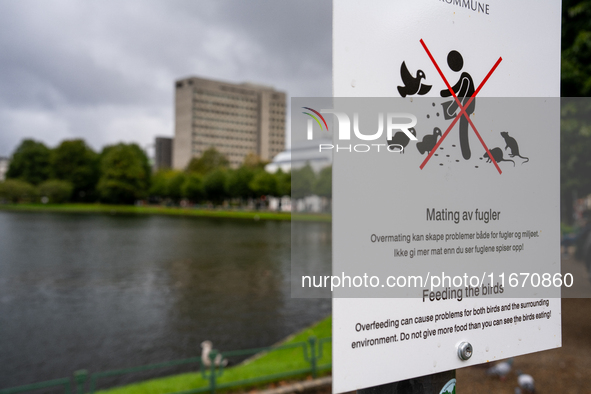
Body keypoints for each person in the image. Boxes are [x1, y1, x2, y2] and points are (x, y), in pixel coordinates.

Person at [440, 50, 475, 160]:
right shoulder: (464, 76)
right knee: (463, 127)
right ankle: (465, 152)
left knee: (463, 127)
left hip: (467, 106)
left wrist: (452, 108)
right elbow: (455, 88)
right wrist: (445, 93)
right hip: (466, 105)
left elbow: (462, 93)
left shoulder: (466, 77)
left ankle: (466, 153)